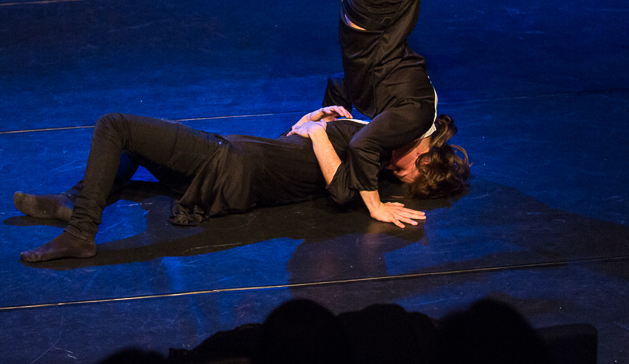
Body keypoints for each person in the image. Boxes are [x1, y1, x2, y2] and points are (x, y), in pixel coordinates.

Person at [315, 0, 576, 224]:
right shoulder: (416, 117)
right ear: (425, 161)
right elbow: (362, 145)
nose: (390, 167)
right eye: (402, 171)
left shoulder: (395, 111)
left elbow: (345, 84)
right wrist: (375, 207)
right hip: (376, 4)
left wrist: (323, 117)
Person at [15, 104, 466, 263]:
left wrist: (318, 133)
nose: (397, 172)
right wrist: (305, 125)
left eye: (404, 176)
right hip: (234, 160)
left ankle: (81, 232)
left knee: (115, 125)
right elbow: (294, 154)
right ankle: (76, 201)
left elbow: (342, 189)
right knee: (130, 145)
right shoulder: (377, 145)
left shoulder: (370, 161)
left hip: (227, 163)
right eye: (408, 169)